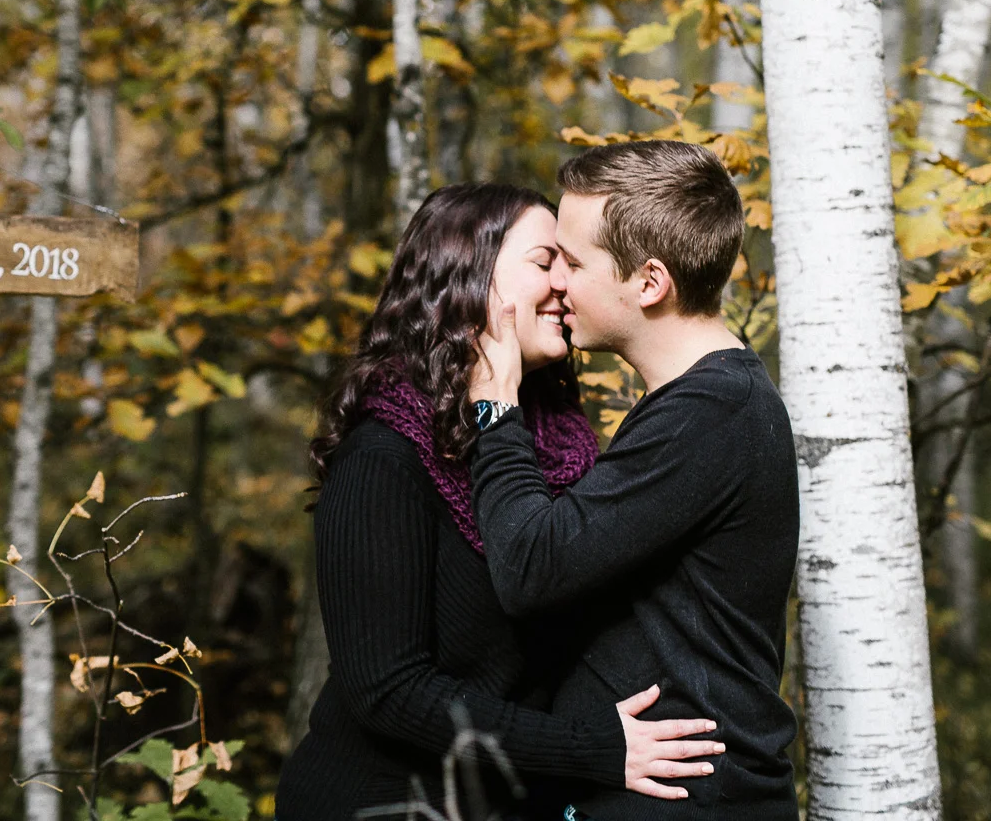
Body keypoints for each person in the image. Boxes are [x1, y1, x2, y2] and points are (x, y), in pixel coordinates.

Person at [276, 183, 726, 820]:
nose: (565, 284)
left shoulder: (554, 443)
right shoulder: (383, 457)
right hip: (384, 805)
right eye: (545, 262)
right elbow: (388, 691)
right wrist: (586, 747)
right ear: (469, 277)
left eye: (570, 264)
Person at [468, 141, 801, 820]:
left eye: (573, 262)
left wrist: (494, 408)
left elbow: (531, 568)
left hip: (687, 800)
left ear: (649, 283)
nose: (557, 283)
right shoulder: (706, 402)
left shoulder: (711, 413)